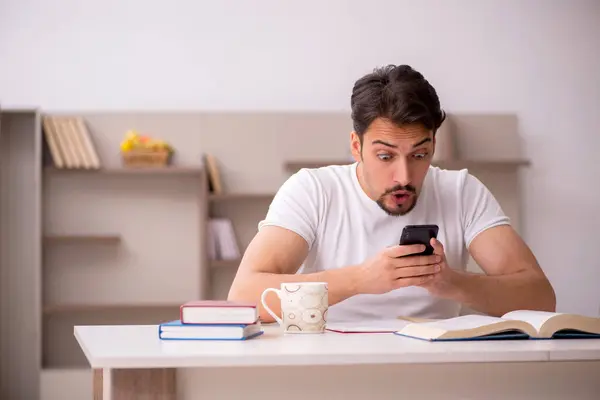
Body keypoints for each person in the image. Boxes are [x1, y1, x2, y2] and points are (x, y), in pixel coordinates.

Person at [228, 64, 556, 323]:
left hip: (433, 370)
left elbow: (540, 297)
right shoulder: (312, 190)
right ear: (356, 146)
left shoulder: (462, 191)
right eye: (386, 157)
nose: (404, 176)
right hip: (330, 366)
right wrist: (359, 280)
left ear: (434, 146)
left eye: (419, 154)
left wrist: (451, 283)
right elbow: (243, 298)